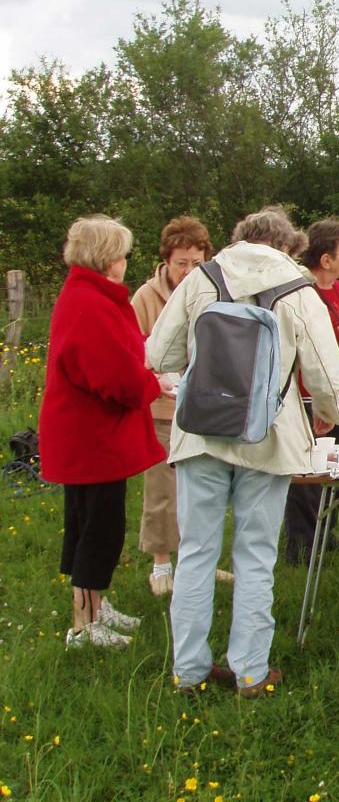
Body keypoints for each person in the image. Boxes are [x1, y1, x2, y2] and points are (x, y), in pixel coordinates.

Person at [148, 206, 339, 696]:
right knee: (255, 556)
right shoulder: (298, 288)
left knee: (195, 554)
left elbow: (159, 355)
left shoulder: (201, 278)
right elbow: (327, 372)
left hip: (201, 432)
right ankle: (251, 672)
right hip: (269, 436)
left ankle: (188, 671)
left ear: (239, 239)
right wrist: (330, 413)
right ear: (287, 246)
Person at [40, 215, 167, 648]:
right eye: (124, 253)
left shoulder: (87, 296)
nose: (126, 262)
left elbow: (120, 351)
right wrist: (154, 383)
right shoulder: (89, 303)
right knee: (99, 528)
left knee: (88, 523)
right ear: (108, 257)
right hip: (91, 439)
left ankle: (92, 605)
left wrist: (147, 362)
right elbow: (114, 377)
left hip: (86, 437)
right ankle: (84, 624)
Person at [131, 216, 228, 594]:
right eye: (181, 263)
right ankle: (160, 566)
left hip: (204, 409)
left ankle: (200, 562)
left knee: (203, 489)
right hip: (160, 407)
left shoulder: (213, 293)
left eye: (196, 262)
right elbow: (133, 352)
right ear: (166, 261)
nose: (189, 270)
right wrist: (155, 380)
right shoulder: (145, 297)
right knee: (162, 489)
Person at [283, 218, 339, 564]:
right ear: (325, 259)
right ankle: (300, 545)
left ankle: (327, 534)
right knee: (310, 469)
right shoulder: (300, 294)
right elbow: (303, 341)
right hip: (313, 394)